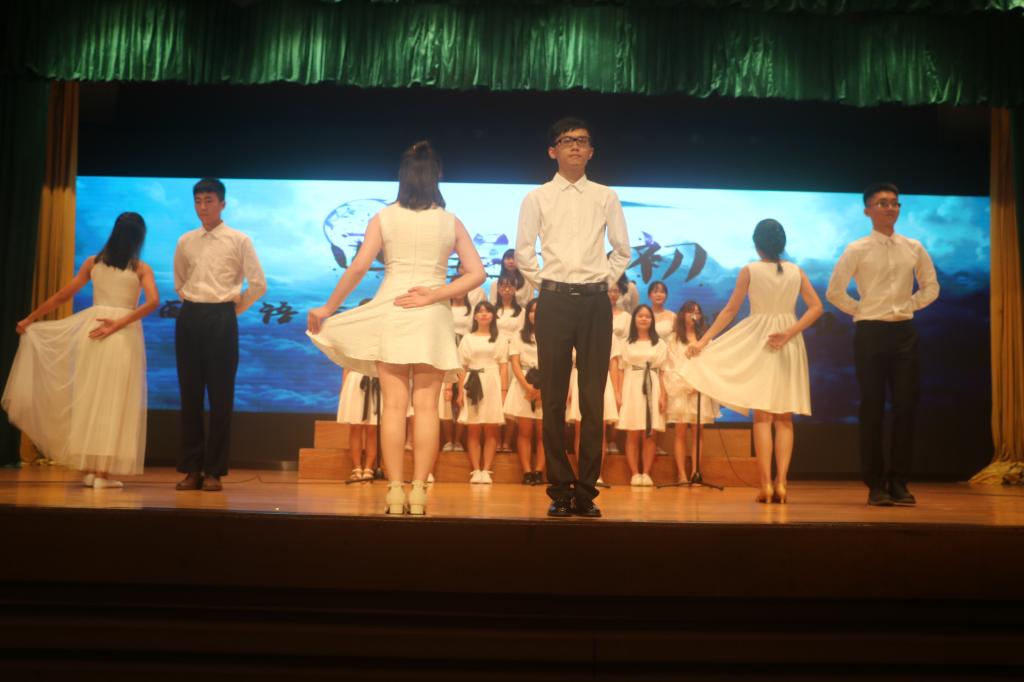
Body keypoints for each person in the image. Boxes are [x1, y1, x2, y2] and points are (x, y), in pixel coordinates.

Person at [308, 141, 486, 515]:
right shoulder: (450, 221)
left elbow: (358, 267)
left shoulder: (384, 217)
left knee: (393, 406)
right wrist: (435, 293)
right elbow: (477, 273)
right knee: (426, 408)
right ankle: (418, 491)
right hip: (431, 314)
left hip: (393, 307)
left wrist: (327, 307)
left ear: (402, 177)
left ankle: (393, 490)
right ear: (437, 175)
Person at [515, 116, 631, 518]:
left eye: (582, 141)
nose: (576, 146)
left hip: (596, 302)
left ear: (591, 151)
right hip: (554, 301)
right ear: (553, 151)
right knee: (552, 398)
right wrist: (546, 284)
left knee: (593, 398)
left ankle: (586, 491)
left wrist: (603, 280)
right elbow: (524, 251)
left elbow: (622, 250)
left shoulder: (606, 196)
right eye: (567, 141)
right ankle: (559, 489)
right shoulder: (537, 198)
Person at [2, 212, 159, 488]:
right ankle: (102, 474)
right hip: (122, 334)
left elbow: (62, 295)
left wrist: (30, 319)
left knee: (91, 397)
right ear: (139, 238)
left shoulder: (92, 263)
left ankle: (90, 468)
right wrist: (119, 323)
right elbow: (153, 302)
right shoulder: (141, 268)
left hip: (93, 331)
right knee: (114, 401)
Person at [683, 219, 823, 504]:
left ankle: (766, 485)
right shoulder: (796, 271)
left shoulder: (750, 270)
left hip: (762, 338)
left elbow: (729, 311)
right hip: (788, 340)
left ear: (757, 244)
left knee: (763, 417)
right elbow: (816, 307)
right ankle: (782, 483)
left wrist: (703, 341)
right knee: (784, 417)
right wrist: (790, 332)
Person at [826, 183, 939, 507]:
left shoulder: (913, 247)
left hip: (904, 333)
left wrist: (907, 306)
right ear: (868, 211)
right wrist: (863, 310)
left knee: (906, 407)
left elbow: (931, 287)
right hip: (870, 333)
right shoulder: (857, 248)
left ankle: (900, 482)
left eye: (894, 203)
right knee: (872, 408)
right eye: (883, 203)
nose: (890, 208)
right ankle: (875, 484)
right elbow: (834, 292)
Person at [173, 178, 266, 492]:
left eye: (209, 200)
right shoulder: (185, 240)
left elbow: (258, 284)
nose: (203, 207)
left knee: (221, 396)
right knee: (189, 395)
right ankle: (192, 469)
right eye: (198, 201)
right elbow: (180, 281)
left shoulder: (239, 240)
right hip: (190, 316)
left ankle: (214, 471)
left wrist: (232, 310)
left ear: (222, 204)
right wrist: (194, 304)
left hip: (222, 317)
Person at [664, 301, 721, 483]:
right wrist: (688, 384)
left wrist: (699, 383)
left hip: (700, 391)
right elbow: (671, 366)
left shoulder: (705, 338)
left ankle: (696, 472)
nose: (693, 315)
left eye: (697, 311)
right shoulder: (673, 339)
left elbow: (711, 364)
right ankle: (681, 474)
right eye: (690, 311)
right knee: (680, 433)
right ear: (682, 314)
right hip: (681, 390)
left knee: (698, 433)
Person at [615, 305, 668, 486]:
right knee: (632, 433)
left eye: (647, 316)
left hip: (653, 386)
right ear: (634, 319)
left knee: (650, 433)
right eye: (640, 316)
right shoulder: (625, 343)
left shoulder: (660, 344)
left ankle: (646, 473)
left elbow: (662, 372)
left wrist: (663, 396)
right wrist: (618, 393)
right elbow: (620, 370)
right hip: (631, 386)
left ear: (652, 320)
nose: (644, 319)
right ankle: (634, 474)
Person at [456, 301, 508, 484]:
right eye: (480, 311)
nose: (484, 314)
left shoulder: (500, 338)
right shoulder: (467, 338)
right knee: (473, 427)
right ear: (475, 316)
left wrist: (503, 391)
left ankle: (486, 470)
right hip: (471, 382)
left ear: (493, 315)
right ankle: (476, 470)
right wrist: (459, 392)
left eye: (487, 311)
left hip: (492, 382)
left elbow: (503, 366)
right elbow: (462, 367)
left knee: (491, 428)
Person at [503, 298, 545, 485]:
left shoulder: (553, 335)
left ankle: (539, 471)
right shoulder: (518, 336)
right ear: (527, 314)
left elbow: (557, 362)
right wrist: (527, 386)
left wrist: (543, 388)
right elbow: (515, 363)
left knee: (543, 433)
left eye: (539, 310)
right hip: (523, 384)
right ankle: (527, 471)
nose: (535, 314)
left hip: (546, 385)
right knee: (524, 431)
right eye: (532, 310)